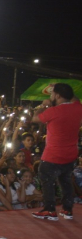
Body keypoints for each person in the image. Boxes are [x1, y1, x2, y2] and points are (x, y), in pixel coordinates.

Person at [31, 83, 82, 220]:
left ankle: (50, 210)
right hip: (70, 154)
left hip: (53, 155)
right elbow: (75, 99)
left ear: (58, 95)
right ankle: (67, 209)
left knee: (47, 180)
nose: (51, 96)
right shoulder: (78, 108)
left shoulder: (53, 111)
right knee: (66, 181)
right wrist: (64, 90)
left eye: (52, 93)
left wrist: (43, 105)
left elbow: (35, 119)